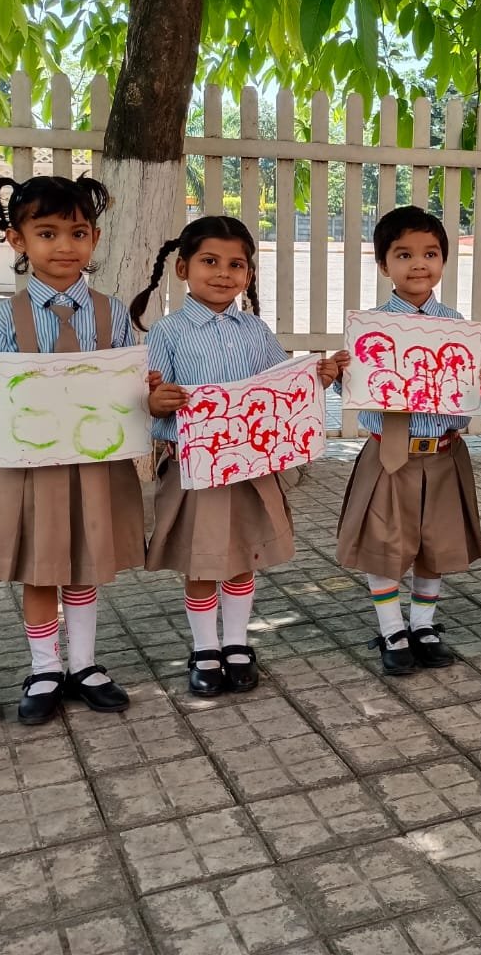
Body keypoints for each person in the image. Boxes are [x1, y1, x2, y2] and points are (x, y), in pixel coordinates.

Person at [0, 176, 146, 725]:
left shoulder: (112, 313)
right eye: (47, 233)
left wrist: (147, 386)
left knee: (84, 563)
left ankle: (83, 664)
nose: (64, 245)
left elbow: (131, 383)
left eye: (78, 233)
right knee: (40, 571)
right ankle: (44, 668)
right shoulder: (1, 318)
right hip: (29, 468)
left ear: (95, 238)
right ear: (17, 240)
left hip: (93, 466)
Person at [133, 216, 337, 697]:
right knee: (202, 561)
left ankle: (237, 643)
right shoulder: (167, 332)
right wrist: (156, 403)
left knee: (244, 554)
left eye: (236, 265)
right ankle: (205, 648)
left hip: (251, 468)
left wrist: (316, 379)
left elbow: (280, 385)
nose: (223, 273)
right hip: (195, 470)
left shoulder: (256, 331)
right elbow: (148, 398)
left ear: (248, 274)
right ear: (183, 268)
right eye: (210, 261)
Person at [330, 206, 481, 675]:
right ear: (384, 264)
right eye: (403, 255)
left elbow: (461, 398)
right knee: (384, 543)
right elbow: (355, 390)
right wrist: (343, 373)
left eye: (430, 253)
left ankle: (423, 625)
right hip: (389, 452)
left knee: (434, 543)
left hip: (443, 452)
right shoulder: (371, 326)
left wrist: (479, 382)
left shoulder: (457, 325)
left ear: (443, 260)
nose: (418, 264)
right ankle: (392, 629)